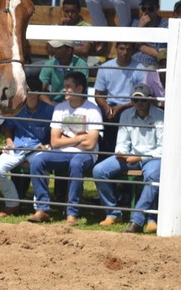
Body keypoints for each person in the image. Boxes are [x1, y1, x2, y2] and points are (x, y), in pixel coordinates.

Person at [27, 71, 103, 226]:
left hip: (86, 154)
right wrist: (79, 138)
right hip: (62, 152)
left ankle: (72, 213)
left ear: (80, 88)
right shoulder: (60, 108)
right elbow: (54, 142)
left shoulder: (93, 110)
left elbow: (90, 144)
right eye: (65, 86)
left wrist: (67, 140)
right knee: (37, 160)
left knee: (76, 164)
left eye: (68, 87)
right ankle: (42, 208)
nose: (64, 90)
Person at [93, 83, 163, 233]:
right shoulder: (126, 115)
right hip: (131, 156)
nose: (139, 104)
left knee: (152, 176)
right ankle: (113, 213)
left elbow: (162, 148)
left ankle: (138, 220)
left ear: (149, 100)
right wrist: (121, 153)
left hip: (153, 158)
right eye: (135, 100)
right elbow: (122, 142)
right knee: (99, 171)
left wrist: (139, 158)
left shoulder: (160, 116)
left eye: (143, 100)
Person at [0, 77, 54, 217]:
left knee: (41, 166)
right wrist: (8, 142)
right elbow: (8, 127)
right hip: (17, 147)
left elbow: (55, 131)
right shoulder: (17, 108)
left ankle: (41, 208)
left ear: (37, 93)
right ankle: (13, 203)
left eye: (28, 90)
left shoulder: (49, 111)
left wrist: (48, 145)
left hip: (38, 148)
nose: (24, 93)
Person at [94, 42, 145, 156]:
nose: (125, 52)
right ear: (116, 48)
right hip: (109, 104)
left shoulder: (140, 69)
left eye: (128, 49)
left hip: (131, 105)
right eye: (122, 48)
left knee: (121, 117)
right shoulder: (105, 67)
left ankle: (114, 153)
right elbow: (98, 94)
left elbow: (140, 97)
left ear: (133, 51)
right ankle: (99, 152)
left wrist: (119, 108)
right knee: (94, 118)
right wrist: (107, 107)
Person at [38, 40, 89, 107]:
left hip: (76, 103)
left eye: (58, 48)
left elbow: (80, 92)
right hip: (53, 103)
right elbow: (40, 92)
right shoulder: (49, 64)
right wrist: (54, 106)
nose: (54, 50)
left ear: (69, 50)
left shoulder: (81, 65)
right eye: (54, 47)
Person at [130, 0, 168, 67]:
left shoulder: (165, 25)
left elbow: (159, 54)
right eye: (144, 9)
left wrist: (139, 46)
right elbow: (129, 47)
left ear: (157, 8)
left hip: (151, 64)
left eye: (150, 9)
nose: (146, 12)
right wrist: (140, 28)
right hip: (133, 63)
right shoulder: (136, 22)